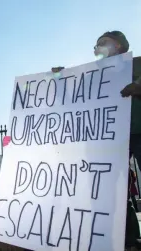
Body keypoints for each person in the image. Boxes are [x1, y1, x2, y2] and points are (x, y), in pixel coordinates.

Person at [53, 30, 141, 249]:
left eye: (102, 43)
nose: (97, 48)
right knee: (112, 190)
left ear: (119, 45)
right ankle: (126, 240)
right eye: (95, 45)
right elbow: (77, 100)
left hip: (139, 132)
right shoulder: (92, 75)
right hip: (111, 140)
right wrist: (62, 78)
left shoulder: (137, 64)